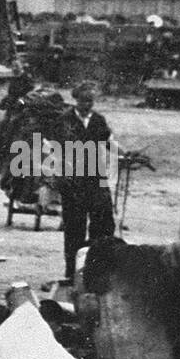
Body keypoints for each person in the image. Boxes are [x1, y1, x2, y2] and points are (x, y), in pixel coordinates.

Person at [54, 82, 116, 280]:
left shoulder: (98, 120)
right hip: (72, 180)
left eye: (91, 101)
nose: (87, 104)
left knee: (103, 223)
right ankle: (72, 273)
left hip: (95, 177)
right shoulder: (64, 120)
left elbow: (108, 142)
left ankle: (95, 270)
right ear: (76, 99)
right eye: (84, 100)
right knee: (74, 228)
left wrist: (125, 154)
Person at [0, 74, 36, 175]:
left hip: (22, 113)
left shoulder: (28, 79)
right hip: (11, 112)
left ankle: (17, 166)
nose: (15, 68)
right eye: (13, 65)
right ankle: (1, 164)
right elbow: (10, 95)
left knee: (16, 139)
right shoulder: (14, 79)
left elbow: (30, 95)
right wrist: (4, 102)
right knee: (3, 137)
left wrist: (21, 102)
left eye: (17, 65)